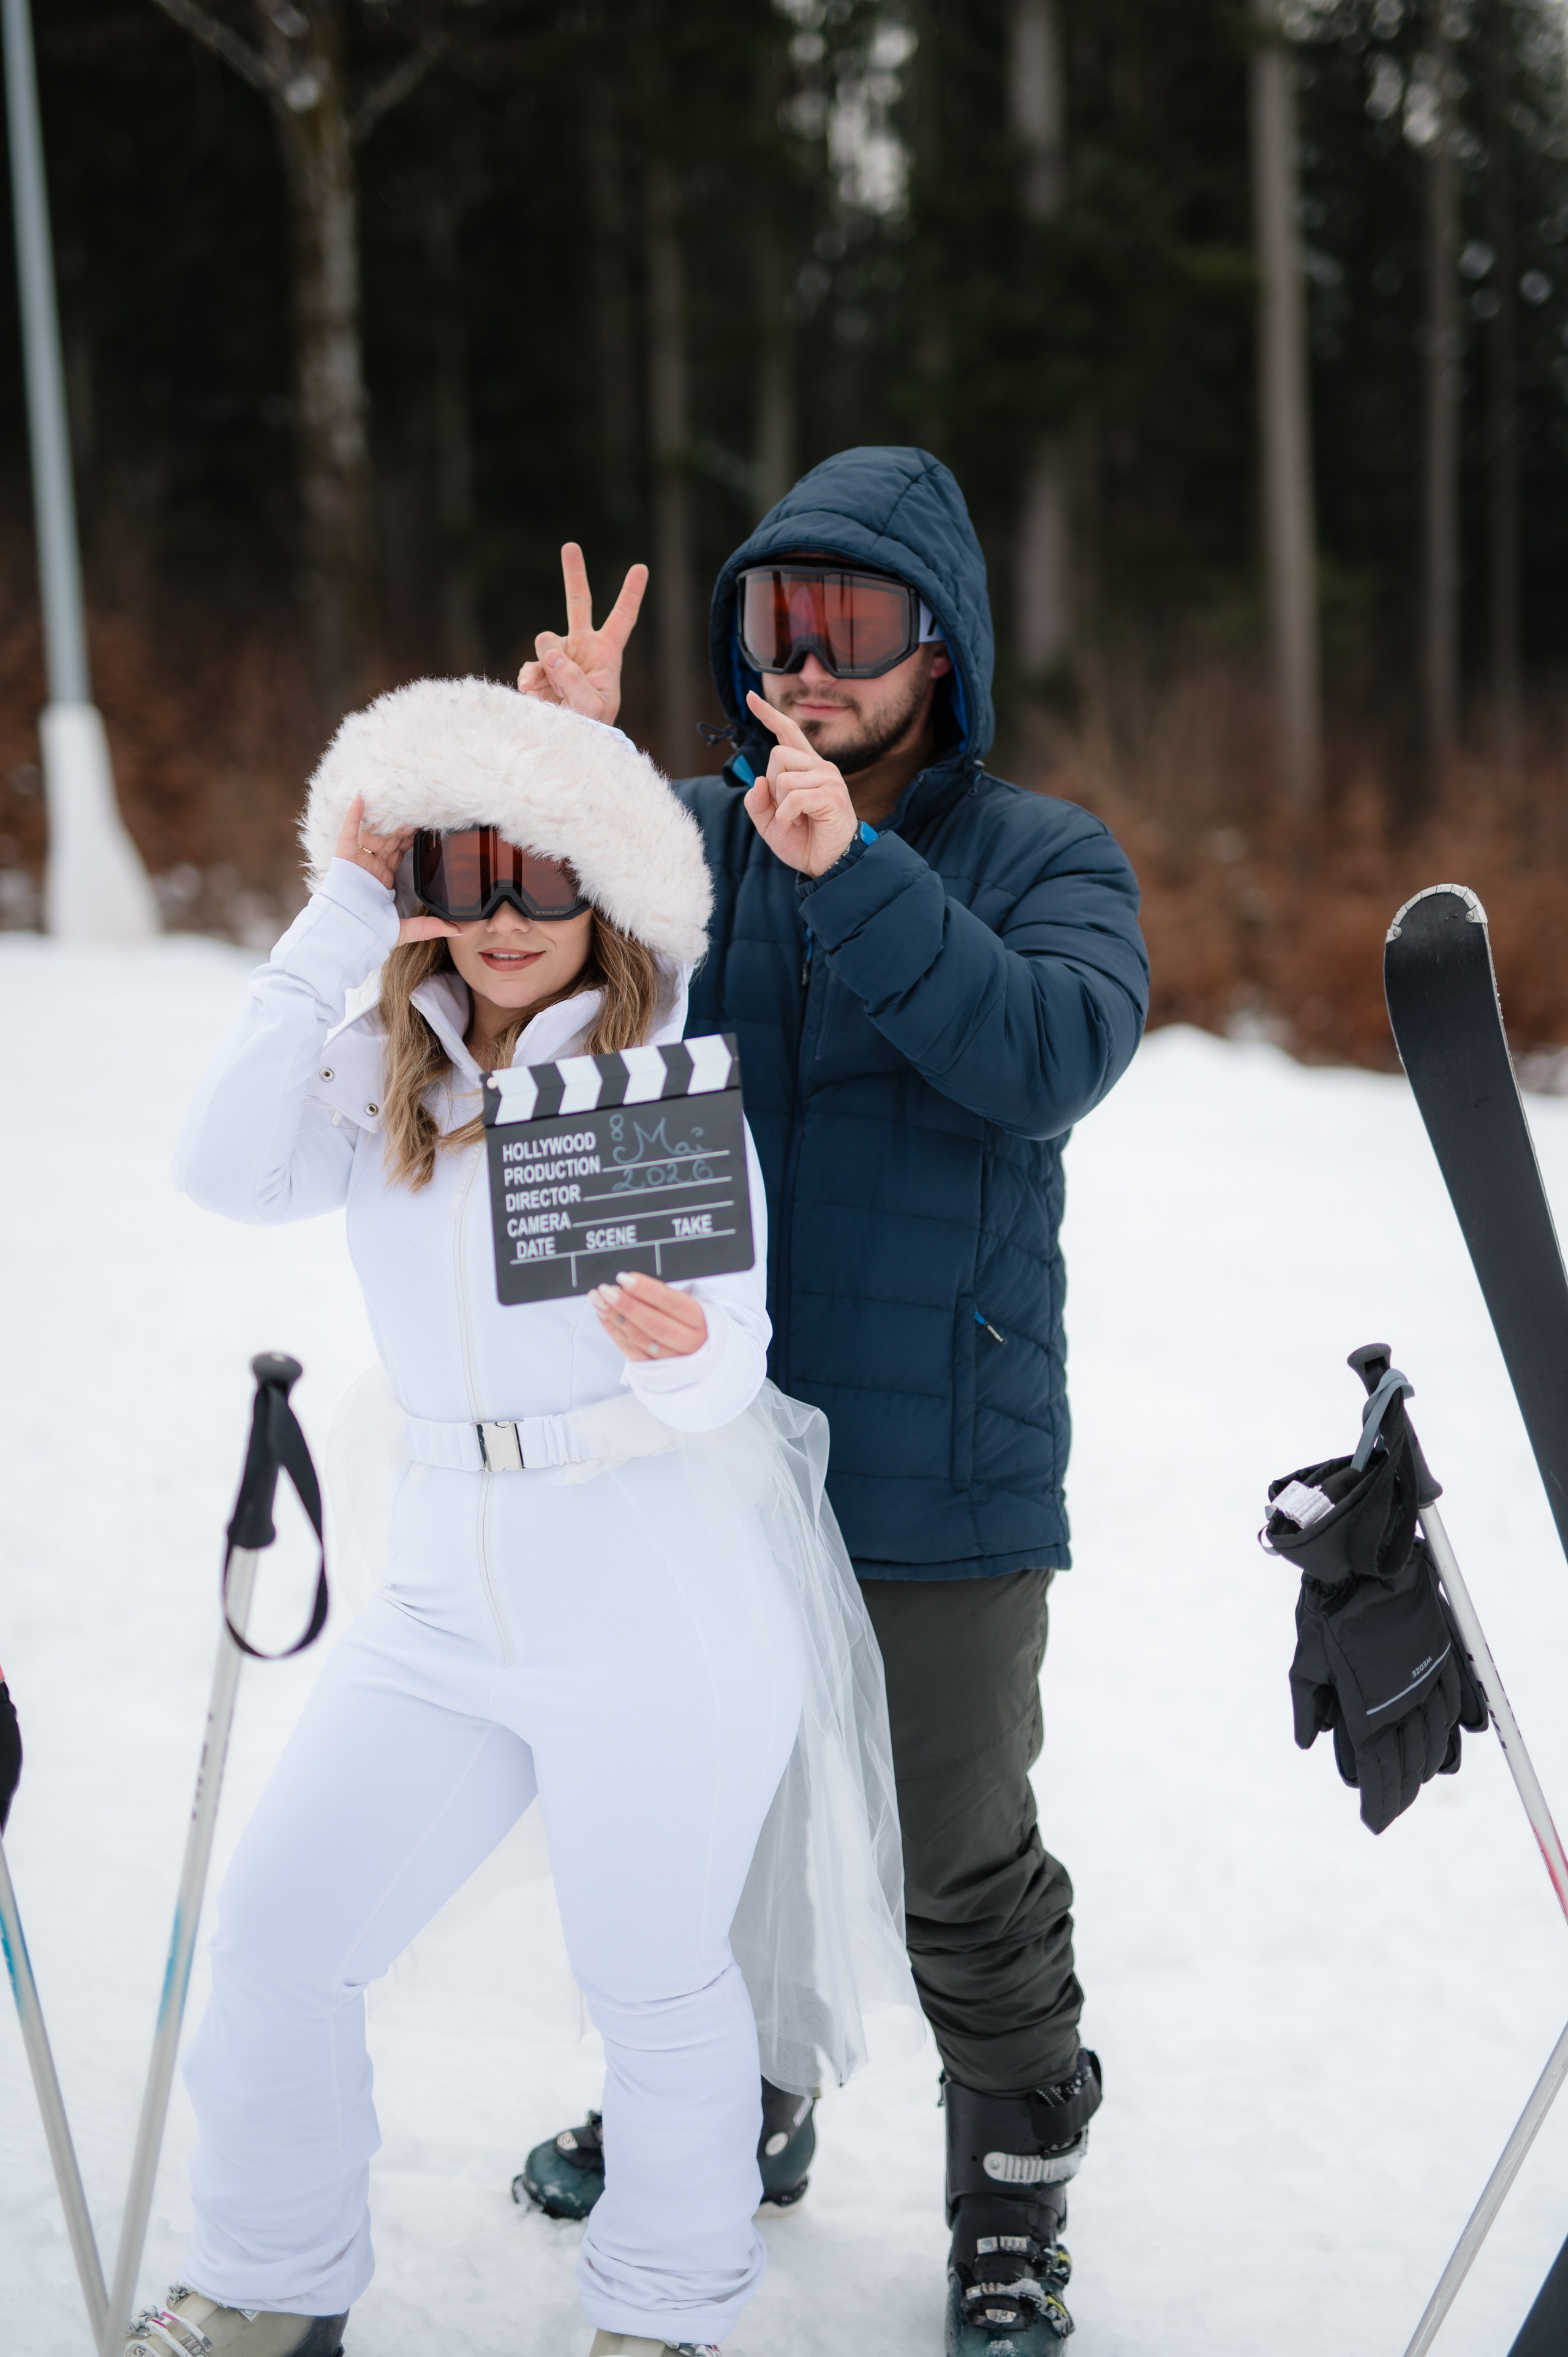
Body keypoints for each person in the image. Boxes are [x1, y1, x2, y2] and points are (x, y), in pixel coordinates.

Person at [127, 677, 916, 2357]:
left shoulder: (655, 1084)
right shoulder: (383, 1075)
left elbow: (738, 1369)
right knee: (278, 1937)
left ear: (603, 897)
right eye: (457, 871)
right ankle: (270, 2287)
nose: (502, 916)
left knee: (652, 1980)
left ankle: (665, 2310)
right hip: (439, 1603)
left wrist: (694, 1351)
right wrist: (339, 906)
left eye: (545, 877)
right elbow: (215, 1165)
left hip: (652, 1603)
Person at [513, 447, 1150, 2353]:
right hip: (697, 1449)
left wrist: (850, 871)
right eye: (778, 623)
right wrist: (558, 787)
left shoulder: (1045, 856)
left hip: (935, 1460)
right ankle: (729, 2106)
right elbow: (514, 982)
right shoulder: (676, 841)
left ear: (936, 648)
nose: (809, 667)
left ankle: (1015, 2198)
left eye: (851, 625)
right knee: (699, 1817)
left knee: (954, 1859)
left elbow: (1044, 1057)